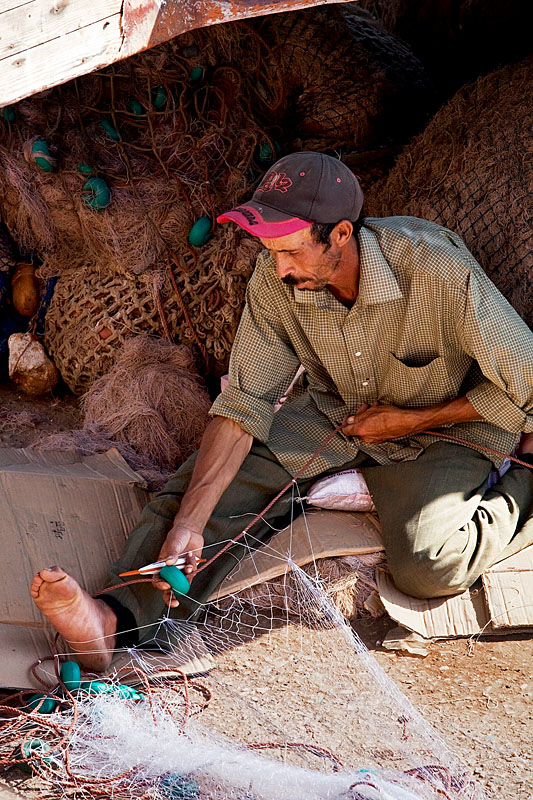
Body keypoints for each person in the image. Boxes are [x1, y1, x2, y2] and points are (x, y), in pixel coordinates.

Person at [31, 152, 533, 671]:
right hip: (338, 412)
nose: (280, 268)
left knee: (428, 565)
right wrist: (191, 521)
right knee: (199, 493)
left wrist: (411, 421)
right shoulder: (279, 282)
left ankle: (528, 481)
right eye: (271, 252)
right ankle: (115, 620)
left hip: (450, 424)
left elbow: (528, 375)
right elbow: (244, 401)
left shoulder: (435, 269)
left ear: (340, 234)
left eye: (290, 251)